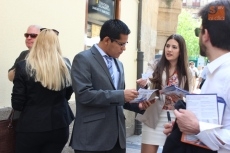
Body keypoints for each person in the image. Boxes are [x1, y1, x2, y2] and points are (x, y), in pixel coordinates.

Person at [69, 19, 153, 153]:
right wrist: (121, 95)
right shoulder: (83, 59)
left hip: (117, 139)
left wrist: (137, 105)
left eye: (126, 44)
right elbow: (84, 95)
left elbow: (118, 100)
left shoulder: (119, 64)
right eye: (121, 44)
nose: (124, 48)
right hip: (92, 139)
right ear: (107, 40)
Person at [163, 1, 230, 153]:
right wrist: (181, 130)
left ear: (205, 34)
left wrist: (197, 128)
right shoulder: (212, 72)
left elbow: (203, 129)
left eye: (198, 31)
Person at [11, 29, 74, 153]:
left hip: (31, 127)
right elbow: (67, 94)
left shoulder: (24, 66)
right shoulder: (65, 65)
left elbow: (17, 103)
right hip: (60, 125)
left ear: (38, 43)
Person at [136, 34, 192, 153]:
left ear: (181, 51)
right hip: (153, 116)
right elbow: (148, 75)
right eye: (167, 46)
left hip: (175, 118)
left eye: (174, 47)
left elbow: (190, 96)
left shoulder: (187, 72)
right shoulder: (156, 64)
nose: (169, 50)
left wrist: (179, 98)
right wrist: (145, 80)